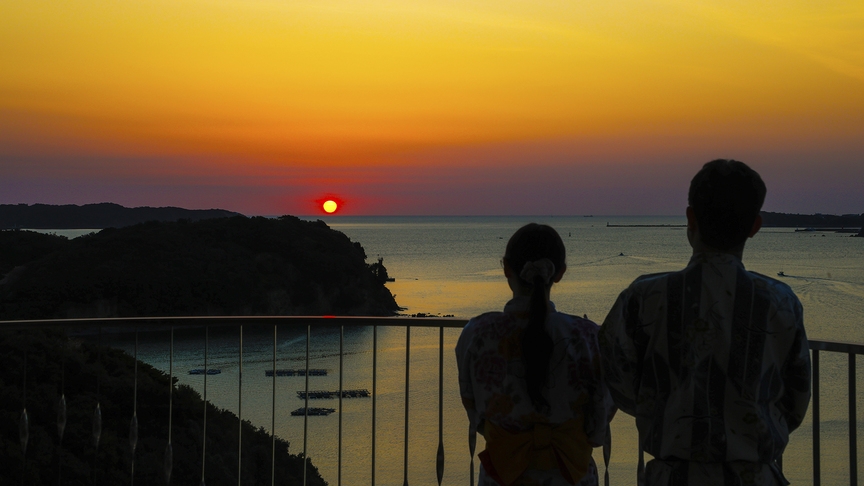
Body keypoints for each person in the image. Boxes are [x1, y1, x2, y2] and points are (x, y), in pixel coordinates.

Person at [600, 159, 811, 485]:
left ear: (690, 219)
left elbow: (618, 380)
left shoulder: (643, 297)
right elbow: (795, 400)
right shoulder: (781, 302)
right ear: (755, 226)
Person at [456, 223, 613, 486]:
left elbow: (477, 416)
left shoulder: (476, 334)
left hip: (502, 476)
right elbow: (598, 426)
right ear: (560, 272)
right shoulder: (589, 337)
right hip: (572, 476)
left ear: (506, 268)